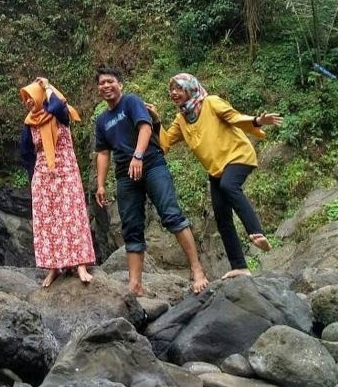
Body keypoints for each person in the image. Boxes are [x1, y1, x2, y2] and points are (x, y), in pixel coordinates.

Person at [93, 66, 209, 297]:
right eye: (102, 83)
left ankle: (197, 271)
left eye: (110, 81)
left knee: (171, 214)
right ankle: (135, 285)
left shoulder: (131, 102)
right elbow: (103, 153)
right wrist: (101, 184)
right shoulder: (102, 120)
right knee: (131, 227)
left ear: (120, 85)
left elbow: (145, 127)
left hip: (151, 163)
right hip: (125, 175)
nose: (106, 86)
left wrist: (138, 155)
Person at [161, 73, 282, 278]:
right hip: (216, 168)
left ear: (190, 88)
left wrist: (257, 121)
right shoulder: (181, 119)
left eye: (179, 88)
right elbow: (164, 143)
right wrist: (153, 121)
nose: (174, 93)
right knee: (221, 215)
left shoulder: (211, 102)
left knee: (229, 186)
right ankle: (240, 266)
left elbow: (234, 118)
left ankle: (256, 232)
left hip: (238, 156)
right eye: (172, 89)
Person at [19, 77, 95, 287]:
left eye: (30, 97)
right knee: (48, 221)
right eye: (25, 99)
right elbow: (26, 154)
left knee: (72, 214)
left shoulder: (59, 115)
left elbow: (57, 104)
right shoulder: (29, 124)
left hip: (66, 169)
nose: (27, 102)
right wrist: (33, 177)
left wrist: (48, 86)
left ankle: (80, 264)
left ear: (40, 96)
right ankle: (54, 267)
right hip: (43, 175)